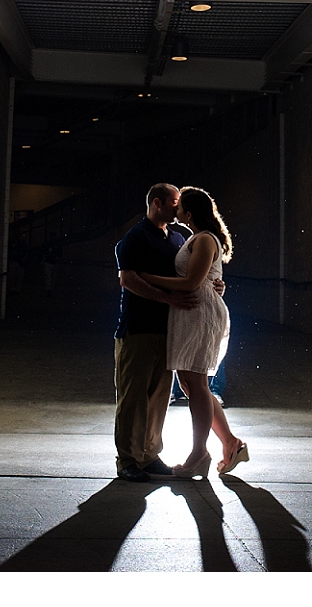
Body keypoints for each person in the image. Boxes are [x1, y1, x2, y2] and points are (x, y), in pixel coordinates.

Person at [139, 186, 249, 479]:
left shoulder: (203, 239)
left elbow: (191, 283)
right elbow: (201, 279)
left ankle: (199, 452)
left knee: (197, 384)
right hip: (191, 313)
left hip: (200, 314)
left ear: (189, 213)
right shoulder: (195, 238)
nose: (174, 210)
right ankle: (230, 443)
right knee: (190, 385)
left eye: (179, 207)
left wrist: (147, 278)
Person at [113, 183, 199, 483]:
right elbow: (128, 280)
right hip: (137, 328)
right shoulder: (136, 237)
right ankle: (127, 459)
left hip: (169, 330)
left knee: (160, 397)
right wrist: (167, 299)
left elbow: (191, 275)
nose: (179, 208)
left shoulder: (179, 237)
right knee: (132, 398)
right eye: (174, 202)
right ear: (157, 203)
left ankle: (149, 455)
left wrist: (214, 286)